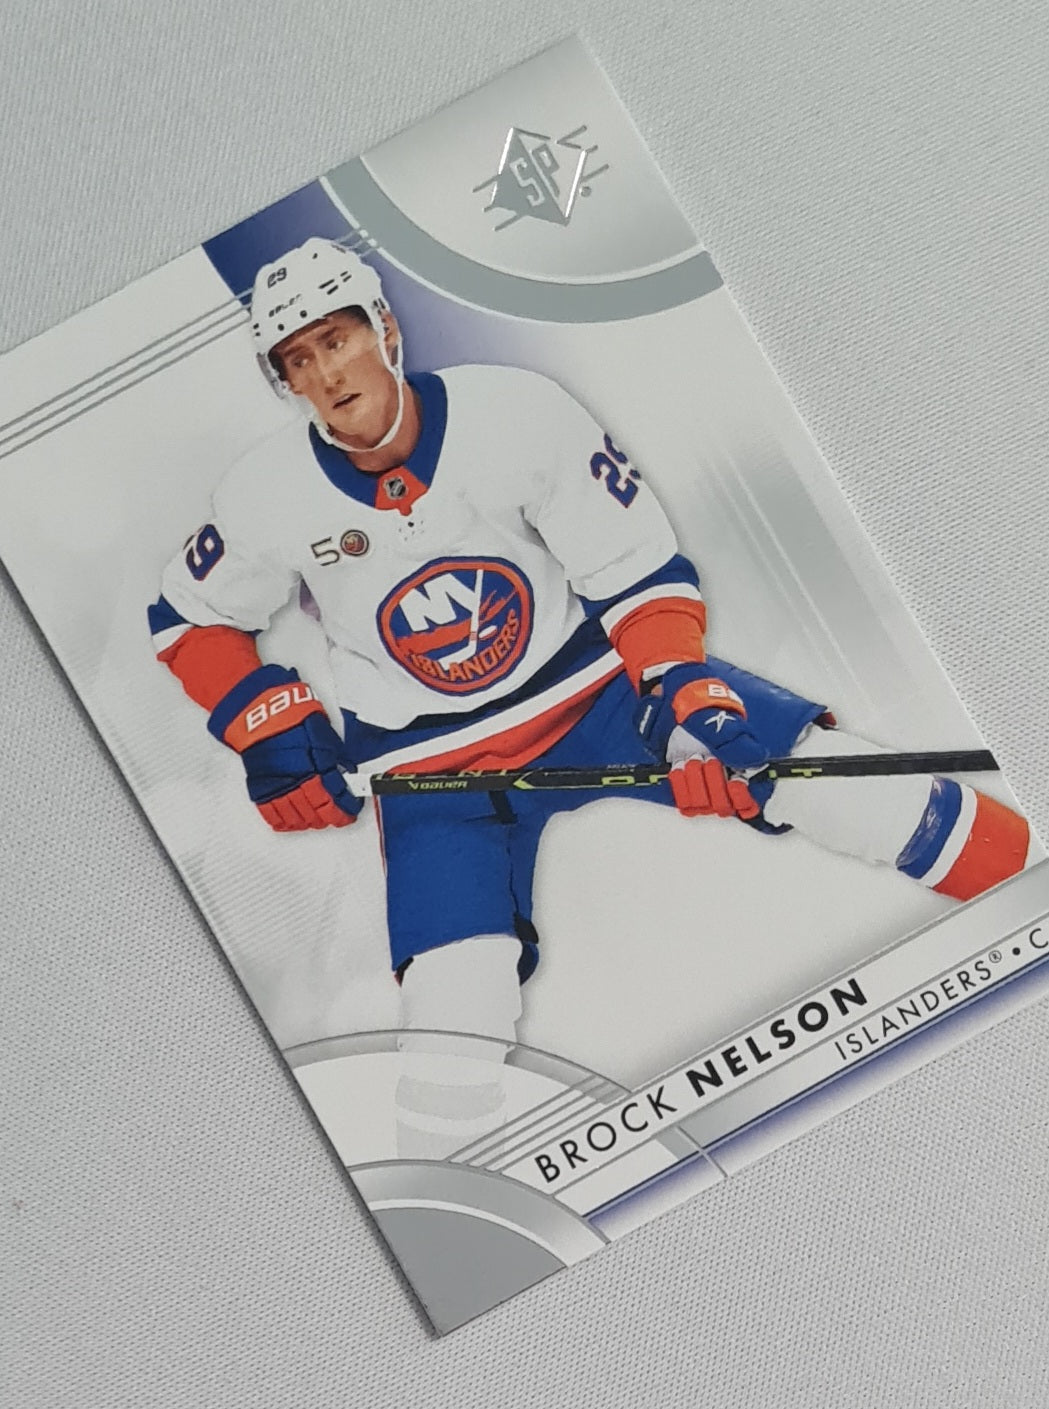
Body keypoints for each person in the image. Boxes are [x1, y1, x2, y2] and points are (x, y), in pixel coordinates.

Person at [149, 238, 1033, 1155]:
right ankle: (446, 1195)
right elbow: (186, 619)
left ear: (385, 330)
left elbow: (632, 566)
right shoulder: (265, 494)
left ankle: (1028, 881)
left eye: (335, 341)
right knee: (454, 1007)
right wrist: (266, 722)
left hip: (601, 695)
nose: (325, 375)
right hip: (429, 767)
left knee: (829, 780)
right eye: (296, 359)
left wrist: (682, 687)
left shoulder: (516, 412)